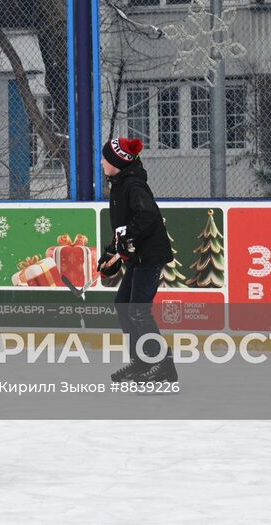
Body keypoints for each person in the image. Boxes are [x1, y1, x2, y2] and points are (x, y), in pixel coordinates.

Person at [101, 136, 176, 384]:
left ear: (117, 162)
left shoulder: (132, 184)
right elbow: (123, 227)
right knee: (123, 304)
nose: (102, 162)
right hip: (137, 256)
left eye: (106, 158)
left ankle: (164, 365)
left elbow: (147, 213)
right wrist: (112, 251)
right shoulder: (119, 183)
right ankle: (142, 361)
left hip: (150, 255)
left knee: (138, 310)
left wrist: (126, 235)